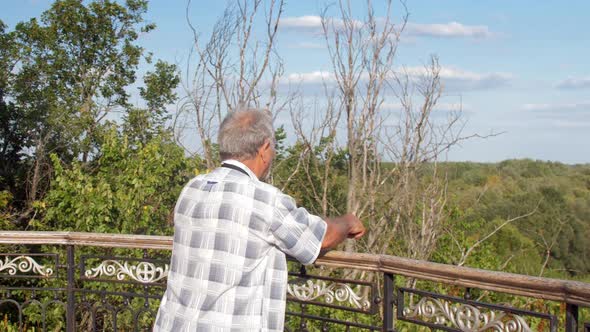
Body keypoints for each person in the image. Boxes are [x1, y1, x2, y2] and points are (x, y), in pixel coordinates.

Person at [154, 108, 365, 331]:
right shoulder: (265, 199)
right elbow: (320, 238)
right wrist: (348, 222)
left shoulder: (192, 188)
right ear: (264, 149)